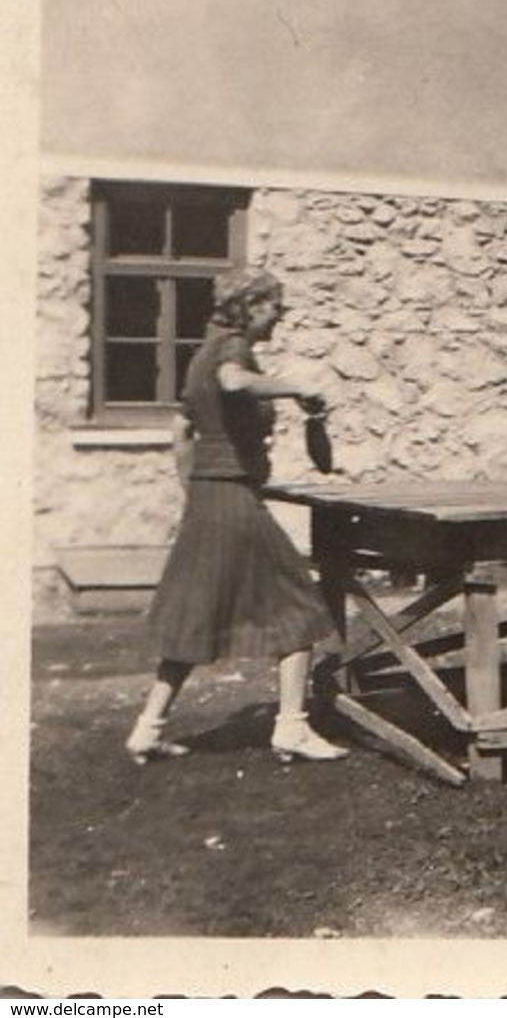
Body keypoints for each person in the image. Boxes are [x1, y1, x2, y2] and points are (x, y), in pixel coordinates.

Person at [125, 268, 349, 765]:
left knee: (194, 611)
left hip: (209, 498)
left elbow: (181, 432)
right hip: (233, 497)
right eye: (274, 307)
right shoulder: (231, 351)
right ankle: (291, 726)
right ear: (249, 308)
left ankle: (148, 728)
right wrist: (294, 386)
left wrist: (195, 492)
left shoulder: (199, 353)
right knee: (301, 604)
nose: (280, 316)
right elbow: (233, 382)